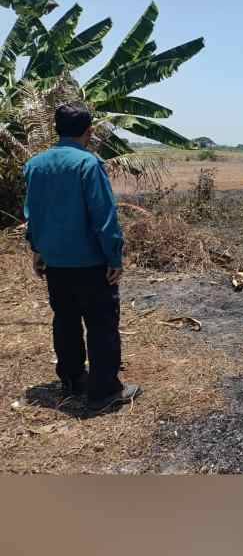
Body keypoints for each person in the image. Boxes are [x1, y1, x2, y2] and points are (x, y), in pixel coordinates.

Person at [23, 101, 141, 411]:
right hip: (90, 263)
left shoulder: (35, 165)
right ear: (89, 132)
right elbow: (104, 216)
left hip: (56, 262)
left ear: (56, 130)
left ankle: (73, 380)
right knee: (101, 325)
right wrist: (114, 257)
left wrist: (37, 249)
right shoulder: (88, 165)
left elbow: (32, 213)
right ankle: (103, 391)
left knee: (65, 322)